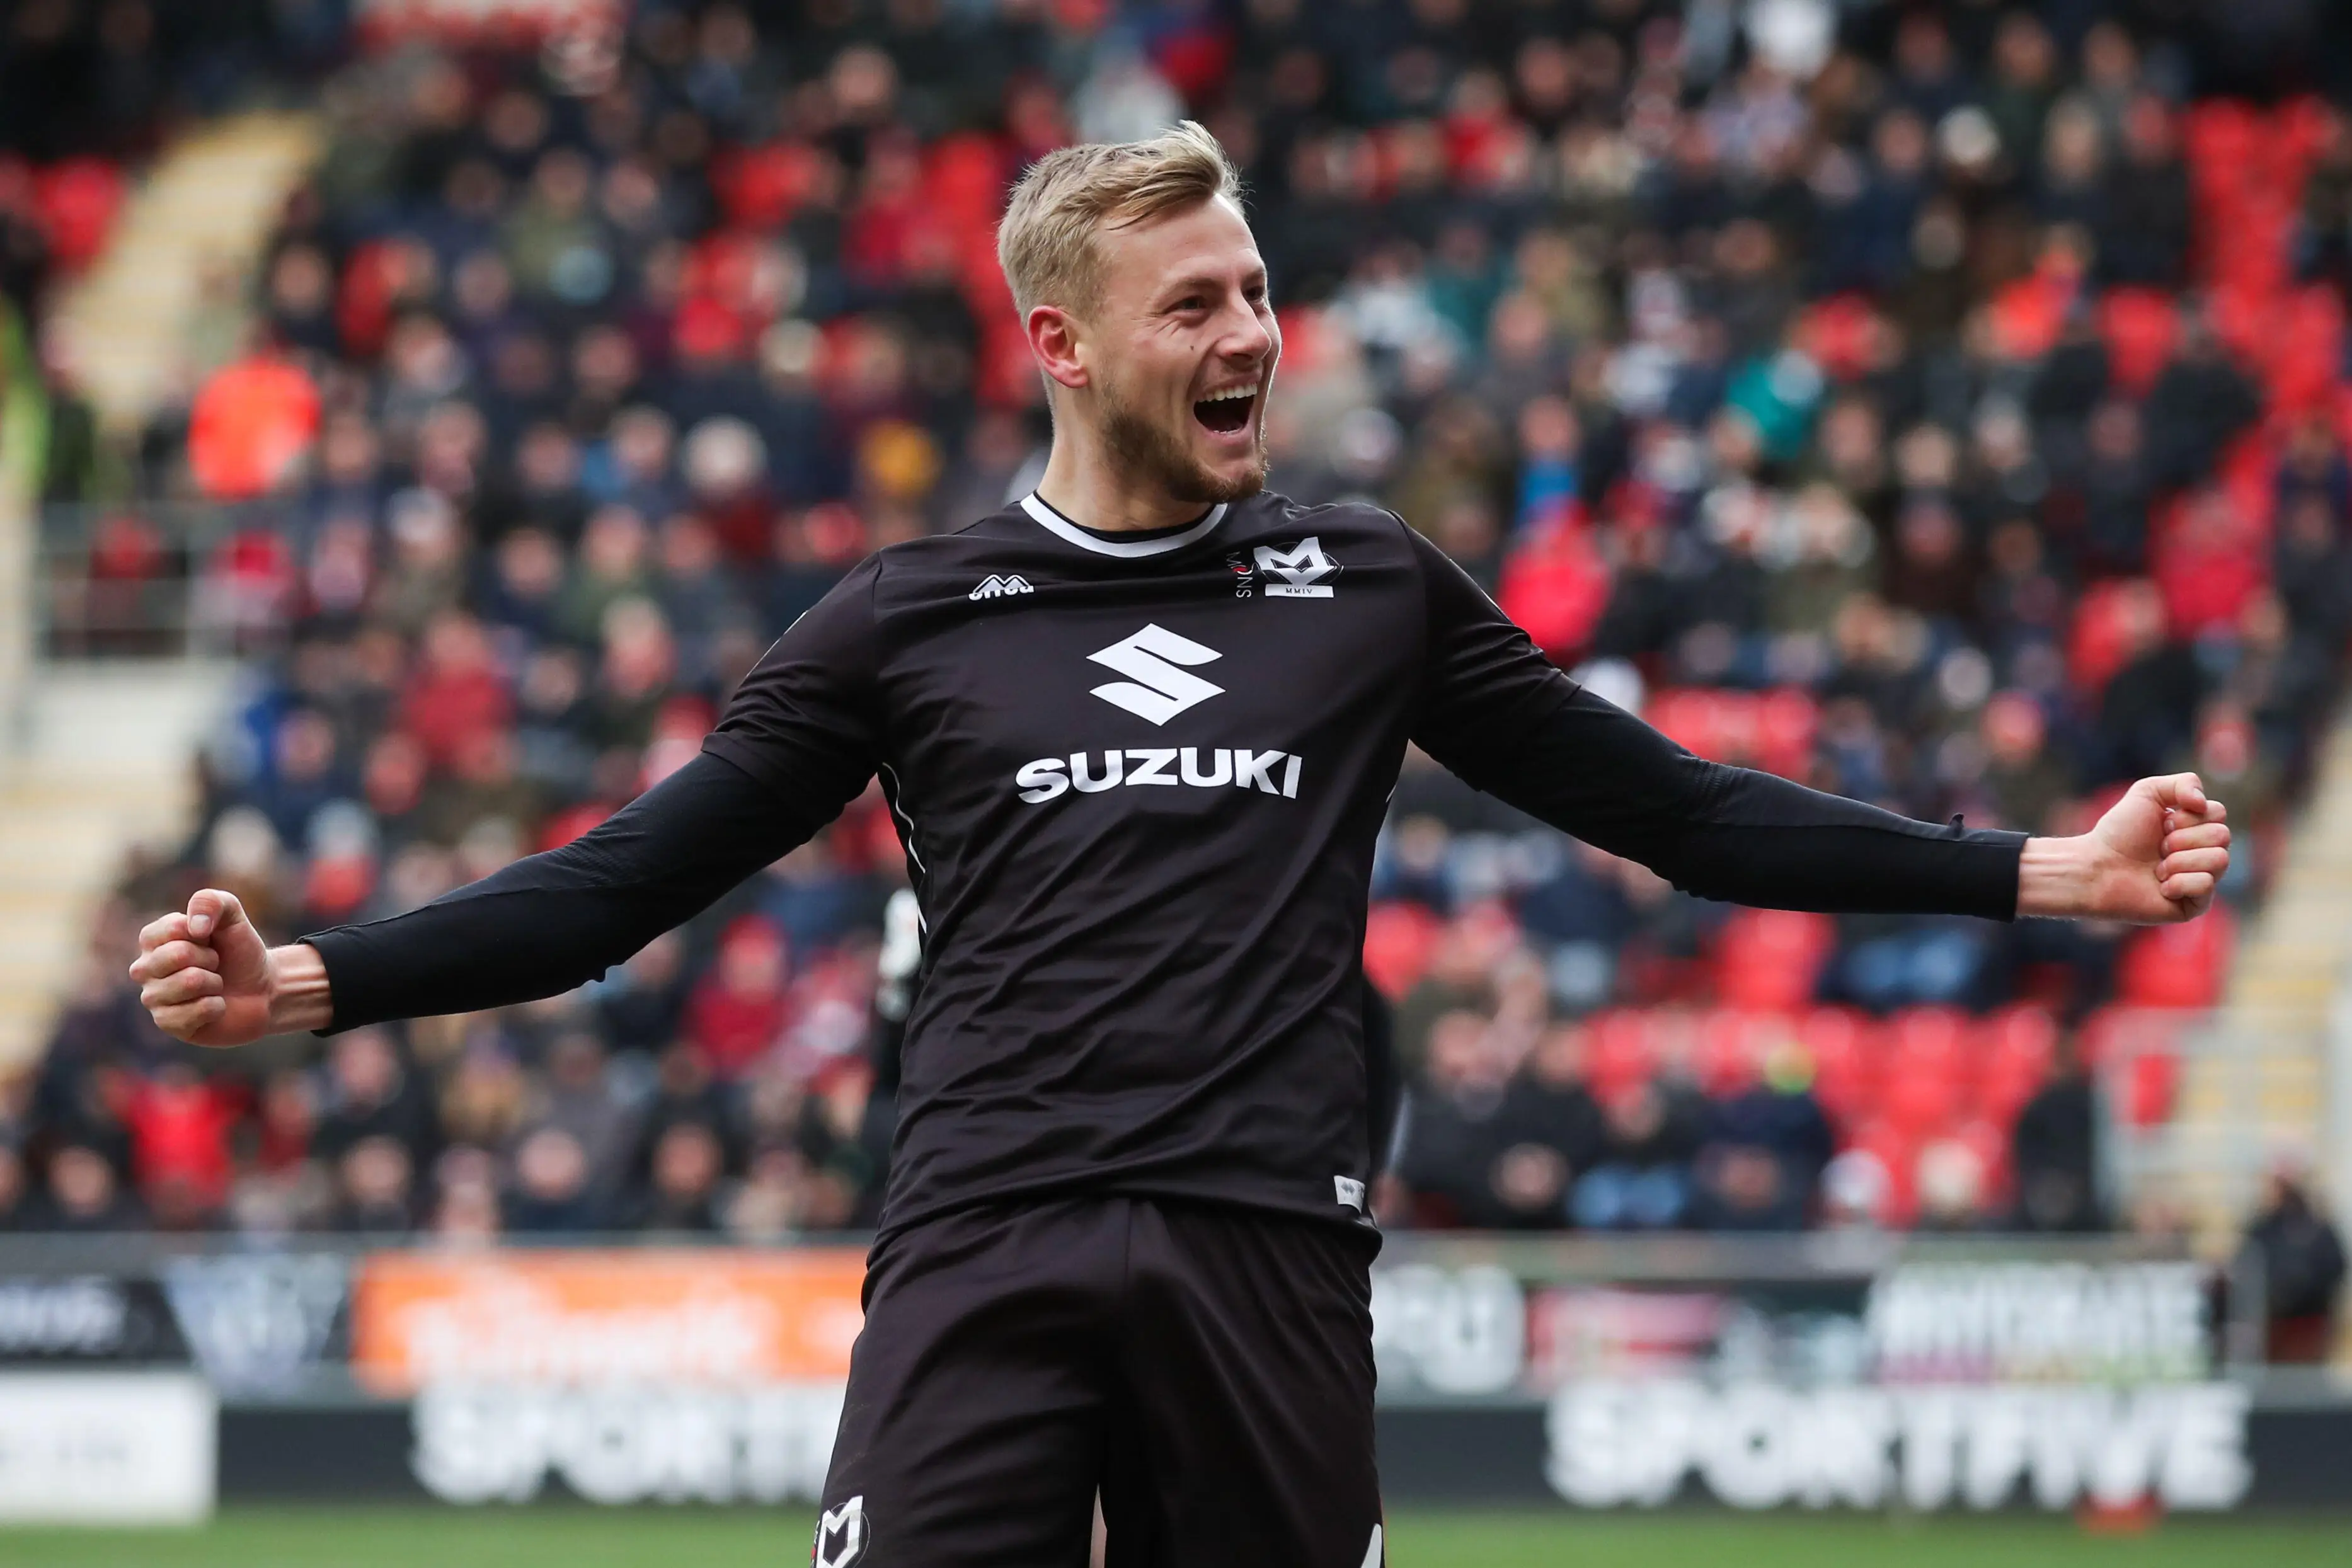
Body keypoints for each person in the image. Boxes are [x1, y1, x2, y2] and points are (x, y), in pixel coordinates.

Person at [129, 123, 2234, 1568]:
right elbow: (620, 883)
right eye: (1189, 308)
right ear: (1058, 344)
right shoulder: (904, 616)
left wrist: (2048, 871)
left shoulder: (1371, 585)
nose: (1246, 340)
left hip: (1264, 1245)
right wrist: (310, 982)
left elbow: (1679, 816)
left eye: (1252, 291)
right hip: (983, 1237)